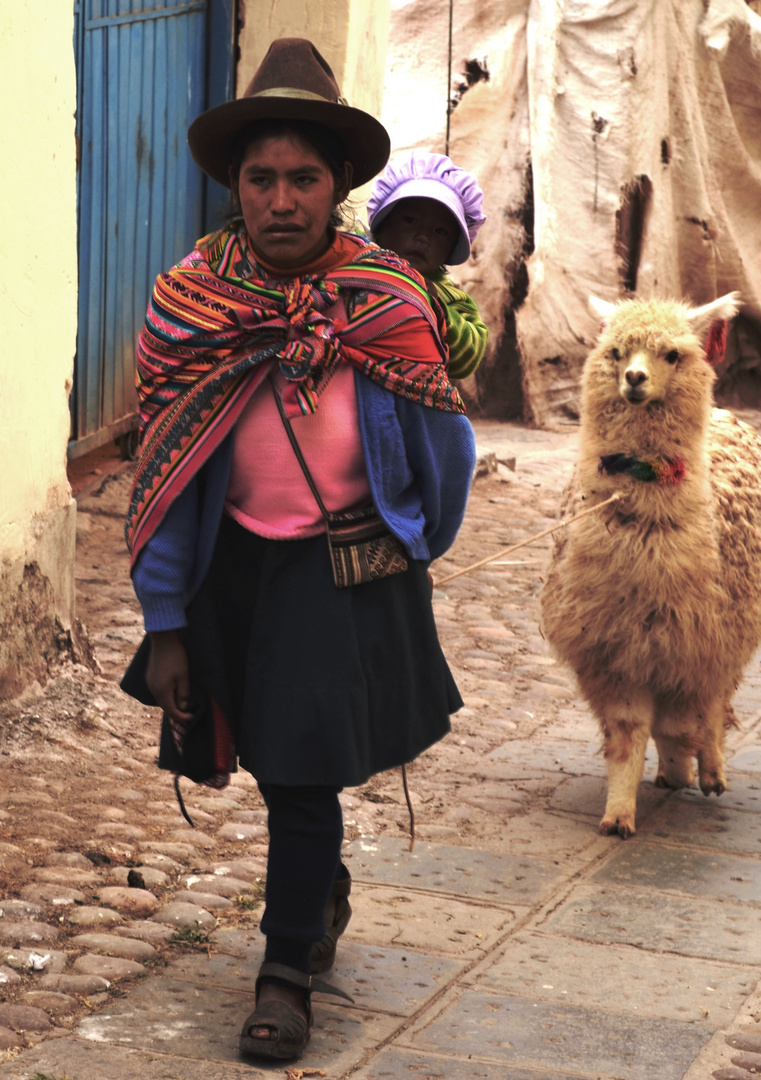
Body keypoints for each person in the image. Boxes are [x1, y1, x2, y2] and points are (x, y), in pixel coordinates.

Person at [121, 38, 475, 1063]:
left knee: (303, 772)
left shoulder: (385, 300)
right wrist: (167, 619)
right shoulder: (191, 304)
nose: (282, 198)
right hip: (233, 567)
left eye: (304, 178)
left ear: (338, 186)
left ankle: (283, 974)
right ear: (237, 185)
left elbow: (443, 442)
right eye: (262, 177)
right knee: (278, 772)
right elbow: (165, 473)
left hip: (336, 567)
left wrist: (412, 535)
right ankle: (318, 888)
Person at [367, 150, 489, 380]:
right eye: (410, 220)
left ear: (451, 249)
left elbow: (467, 359)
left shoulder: (451, 298)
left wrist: (433, 304)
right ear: (381, 225)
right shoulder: (354, 265)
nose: (423, 237)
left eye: (440, 231)